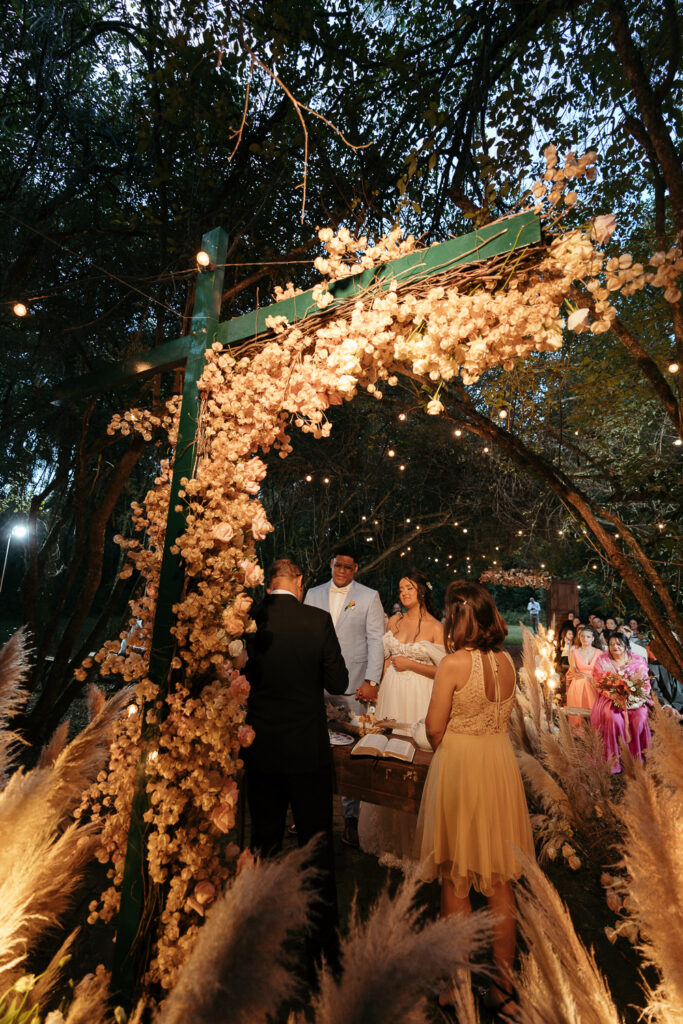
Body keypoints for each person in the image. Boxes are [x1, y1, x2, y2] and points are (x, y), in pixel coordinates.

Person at [415, 581, 534, 1015]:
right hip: (498, 768)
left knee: (456, 879)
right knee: (500, 881)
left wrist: (447, 743)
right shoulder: (506, 661)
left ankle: (456, 986)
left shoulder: (452, 664)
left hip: (462, 770)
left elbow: (433, 728)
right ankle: (504, 988)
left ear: (457, 618)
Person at [241, 558, 349, 967]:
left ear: (269, 583)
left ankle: (256, 935)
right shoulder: (317, 620)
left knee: (264, 842)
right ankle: (321, 947)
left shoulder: (249, 620)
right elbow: (338, 682)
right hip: (306, 751)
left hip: (262, 749)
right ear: (299, 581)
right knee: (316, 846)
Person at [358, 569, 445, 870]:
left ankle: (415, 843)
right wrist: (376, 687)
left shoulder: (436, 627)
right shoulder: (393, 621)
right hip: (391, 695)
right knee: (387, 757)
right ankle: (388, 839)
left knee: (414, 761)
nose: (403, 593)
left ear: (422, 590)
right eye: (400, 589)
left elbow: (444, 670)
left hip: (420, 696)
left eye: (409, 588)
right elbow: (383, 659)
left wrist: (411, 664)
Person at [305, 546, 385, 847]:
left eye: (348, 567)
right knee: (314, 747)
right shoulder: (312, 593)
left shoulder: (369, 596)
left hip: (353, 684)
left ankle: (351, 818)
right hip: (315, 682)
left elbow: (376, 640)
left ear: (355, 569)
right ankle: (311, 815)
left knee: (352, 752)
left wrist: (372, 680)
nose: (342, 571)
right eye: (338, 565)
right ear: (331, 564)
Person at [591, 631, 651, 773]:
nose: (615, 647)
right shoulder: (603, 660)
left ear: (626, 645)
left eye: (618, 644)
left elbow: (645, 684)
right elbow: (599, 684)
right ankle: (614, 761)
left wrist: (635, 700)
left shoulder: (638, 660)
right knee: (614, 719)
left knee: (640, 719)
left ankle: (637, 759)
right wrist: (613, 696)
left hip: (634, 700)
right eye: (611, 644)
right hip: (610, 699)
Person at [565, 625, 601, 728]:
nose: (585, 639)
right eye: (582, 636)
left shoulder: (599, 652)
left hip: (594, 683)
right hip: (579, 681)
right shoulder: (574, 652)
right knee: (584, 682)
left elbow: (601, 672)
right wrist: (586, 677)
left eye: (588, 637)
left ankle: (594, 729)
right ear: (579, 637)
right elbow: (573, 671)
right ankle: (578, 730)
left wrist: (591, 679)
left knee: (588, 682)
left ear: (593, 638)